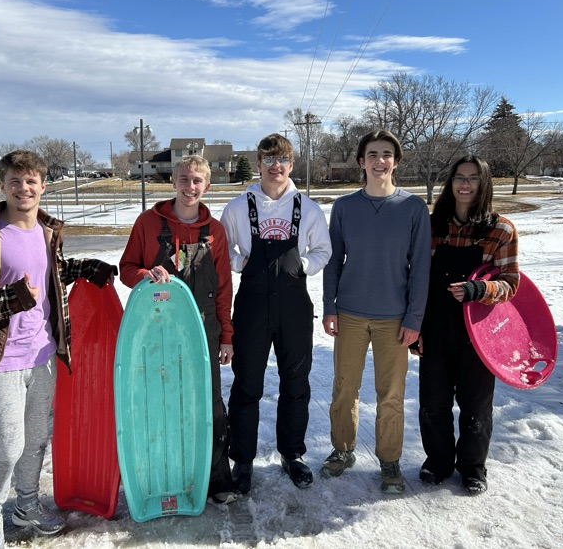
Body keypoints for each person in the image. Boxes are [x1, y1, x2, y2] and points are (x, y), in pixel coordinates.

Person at [0, 150, 117, 549]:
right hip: (0, 357)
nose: (24, 188)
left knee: (37, 440)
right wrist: (9, 301)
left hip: (43, 354)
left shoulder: (48, 231)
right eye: (15, 181)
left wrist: (87, 268)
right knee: (6, 448)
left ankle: (25, 506)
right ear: (3, 185)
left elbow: (50, 275)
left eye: (31, 181)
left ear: (43, 185)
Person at [119, 154, 236, 505]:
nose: (190, 187)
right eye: (184, 179)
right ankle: (165, 472)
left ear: (207, 186)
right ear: (173, 182)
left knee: (208, 406)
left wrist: (227, 336)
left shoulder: (214, 232)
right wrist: (145, 274)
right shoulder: (147, 223)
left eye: (197, 181)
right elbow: (126, 268)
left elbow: (225, 288)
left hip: (202, 333)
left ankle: (216, 479)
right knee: (161, 404)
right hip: (155, 334)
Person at [220, 133, 332, 493]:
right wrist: (242, 261)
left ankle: (292, 454)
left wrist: (302, 264)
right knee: (247, 385)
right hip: (252, 307)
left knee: (296, 383)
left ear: (291, 164)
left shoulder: (307, 208)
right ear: (258, 165)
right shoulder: (239, 207)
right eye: (268, 160)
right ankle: (243, 459)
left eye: (282, 160)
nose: (275, 166)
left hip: (294, 307)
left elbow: (324, 251)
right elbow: (223, 251)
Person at [321, 129, 430, 494]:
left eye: (386, 154)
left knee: (391, 394)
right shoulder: (345, 207)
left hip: (395, 319)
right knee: (344, 388)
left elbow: (421, 270)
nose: (379, 161)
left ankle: (390, 459)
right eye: (372, 154)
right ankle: (342, 450)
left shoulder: (413, 208)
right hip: (350, 313)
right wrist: (330, 307)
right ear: (361, 161)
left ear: (396, 161)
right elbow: (334, 261)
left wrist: (415, 319)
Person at [411, 155, 519, 495]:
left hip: (480, 333)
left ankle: (473, 467)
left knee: (476, 404)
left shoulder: (501, 229)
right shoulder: (432, 227)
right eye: (459, 177)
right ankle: (438, 461)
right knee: (433, 401)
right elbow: (416, 279)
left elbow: (510, 284)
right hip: (436, 326)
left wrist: (480, 289)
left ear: (483, 184)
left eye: (473, 178)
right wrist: (415, 328)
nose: (465, 184)